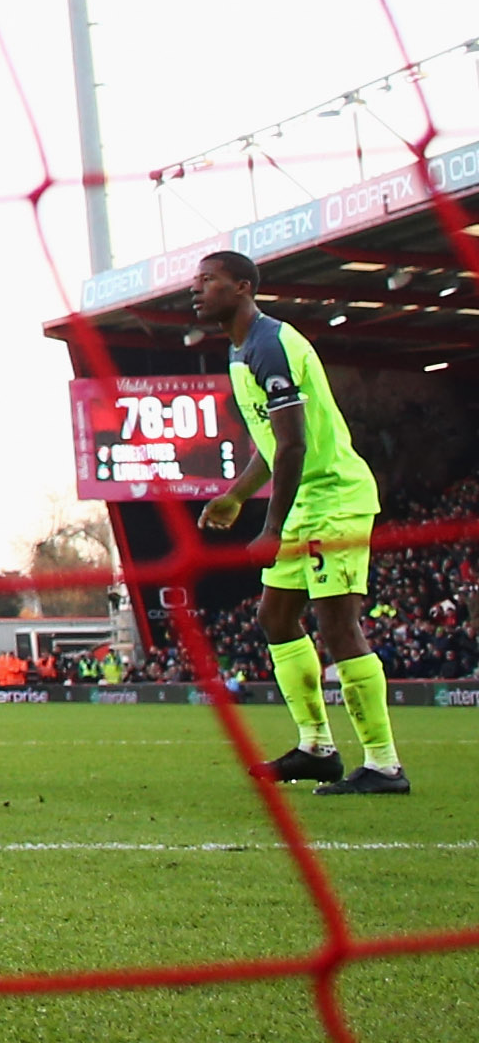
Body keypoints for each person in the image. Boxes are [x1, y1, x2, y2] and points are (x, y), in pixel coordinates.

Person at [193, 251, 405, 794]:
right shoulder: (241, 351)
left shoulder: (271, 344)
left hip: (334, 497)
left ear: (242, 287)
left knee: (337, 625)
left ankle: (383, 764)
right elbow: (272, 444)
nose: (196, 291)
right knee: (275, 616)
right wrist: (237, 495)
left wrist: (270, 528)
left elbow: (294, 445)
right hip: (305, 501)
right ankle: (317, 748)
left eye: (208, 281)